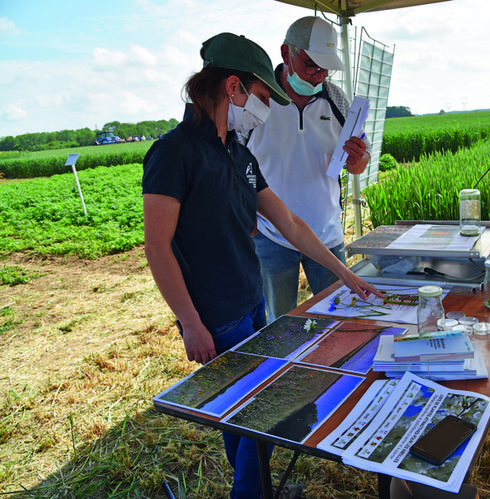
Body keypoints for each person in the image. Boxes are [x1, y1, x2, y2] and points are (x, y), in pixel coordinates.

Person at [142, 32, 381, 499]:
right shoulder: (174, 154)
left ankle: (257, 489)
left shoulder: (236, 151)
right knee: (251, 414)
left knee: (251, 409)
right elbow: (157, 247)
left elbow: (288, 221)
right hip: (216, 311)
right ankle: (251, 494)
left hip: (250, 300)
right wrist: (190, 322)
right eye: (261, 95)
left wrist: (348, 275)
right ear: (233, 88)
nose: (266, 106)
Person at [245, 16, 371, 321]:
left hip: (327, 231)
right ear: (286, 53)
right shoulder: (257, 99)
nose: (318, 75)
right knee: (280, 322)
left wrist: (359, 160)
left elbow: (359, 162)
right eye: (311, 65)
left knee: (340, 317)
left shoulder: (338, 99)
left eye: (326, 68)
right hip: (271, 235)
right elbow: (235, 163)